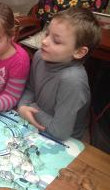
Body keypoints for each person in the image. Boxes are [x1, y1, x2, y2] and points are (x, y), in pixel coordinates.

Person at [17, 7, 101, 141]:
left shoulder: (72, 81)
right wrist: (22, 106)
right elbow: (30, 88)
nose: (44, 41)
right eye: (46, 34)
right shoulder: (40, 56)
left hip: (69, 142)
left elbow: (60, 132)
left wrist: (31, 107)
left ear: (79, 52)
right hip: (38, 122)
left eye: (56, 41)